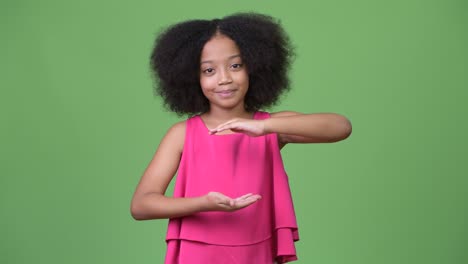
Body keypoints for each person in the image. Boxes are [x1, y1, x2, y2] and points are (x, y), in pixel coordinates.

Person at [131, 12, 352, 264]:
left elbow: (340, 126)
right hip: (198, 252)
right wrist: (203, 203)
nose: (224, 78)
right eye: (209, 70)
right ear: (193, 77)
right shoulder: (182, 134)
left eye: (235, 65)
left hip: (255, 251)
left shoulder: (270, 127)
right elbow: (142, 205)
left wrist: (265, 126)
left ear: (254, 67)